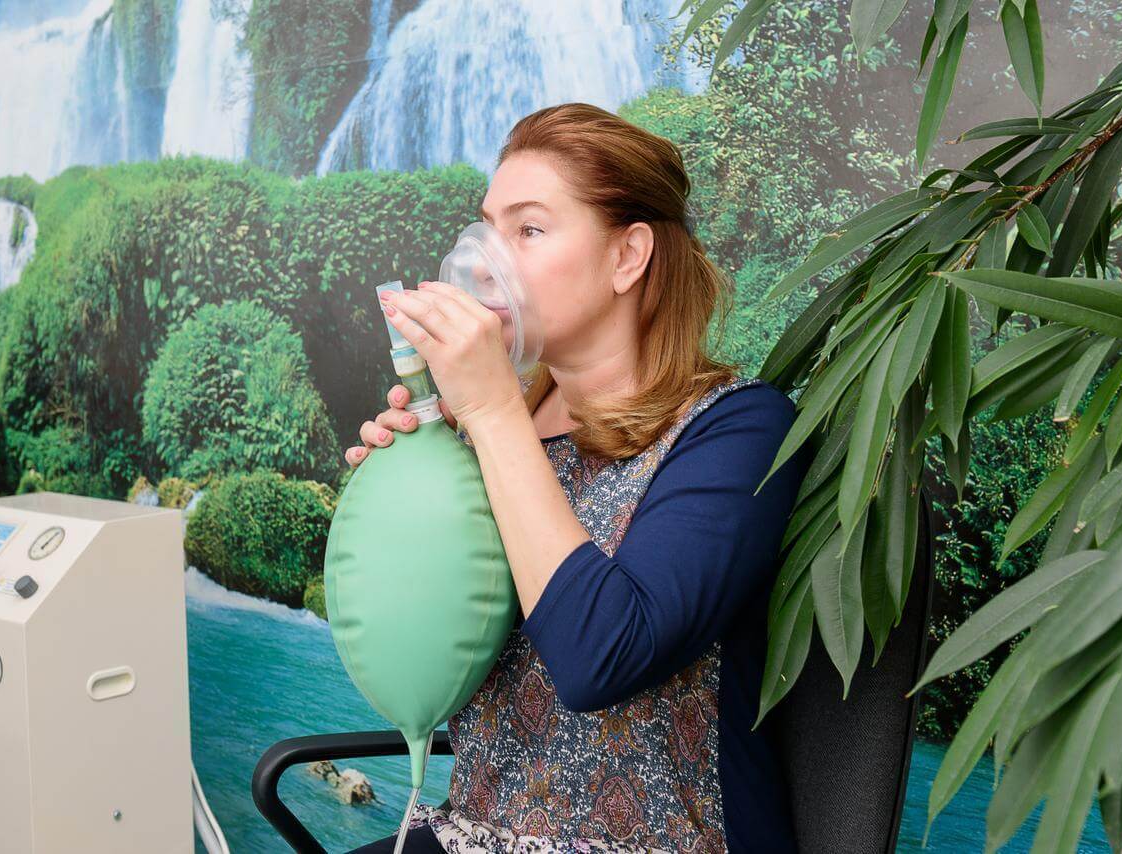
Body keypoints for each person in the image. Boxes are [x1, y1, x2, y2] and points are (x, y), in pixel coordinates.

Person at [345, 102, 810, 853]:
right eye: (488, 229)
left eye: (528, 230)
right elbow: (427, 636)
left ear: (628, 256)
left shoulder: (739, 431)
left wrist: (493, 411)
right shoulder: (491, 428)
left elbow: (602, 658)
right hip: (476, 834)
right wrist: (407, 494)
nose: (485, 263)